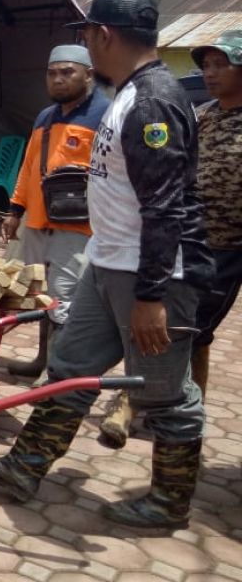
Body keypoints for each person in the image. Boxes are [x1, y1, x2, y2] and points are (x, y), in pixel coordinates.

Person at [0, 0, 211, 529]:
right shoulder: (127, 92)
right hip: (109, 260)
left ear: (104, 35)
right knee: (70, 366)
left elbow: (166, 207)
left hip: (154, 276)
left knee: (166, 392)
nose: (87, 48)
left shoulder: (152, 102)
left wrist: (151, 297)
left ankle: (170, 502)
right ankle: (24, 466)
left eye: (88, 37)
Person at [100, 30, 242, 448]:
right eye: (207, 65)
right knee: (165, 326)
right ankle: (150, 403)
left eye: (222, 65)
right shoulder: (201, 114)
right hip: (181, 239)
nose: (210, 73)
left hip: (228, 248)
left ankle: (167, 410)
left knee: (190, 331)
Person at [0, 45, 109, 377]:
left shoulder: (106, 115)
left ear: (88, 75)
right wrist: (14, 209)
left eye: (67, 72)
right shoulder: (45, 117)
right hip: (36, 220)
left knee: (65, 296)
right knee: (35, 291)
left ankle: (56, 374)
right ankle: (41, 361)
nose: (59, 80)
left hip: (78, 227)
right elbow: (28, 166)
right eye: (52, 73)